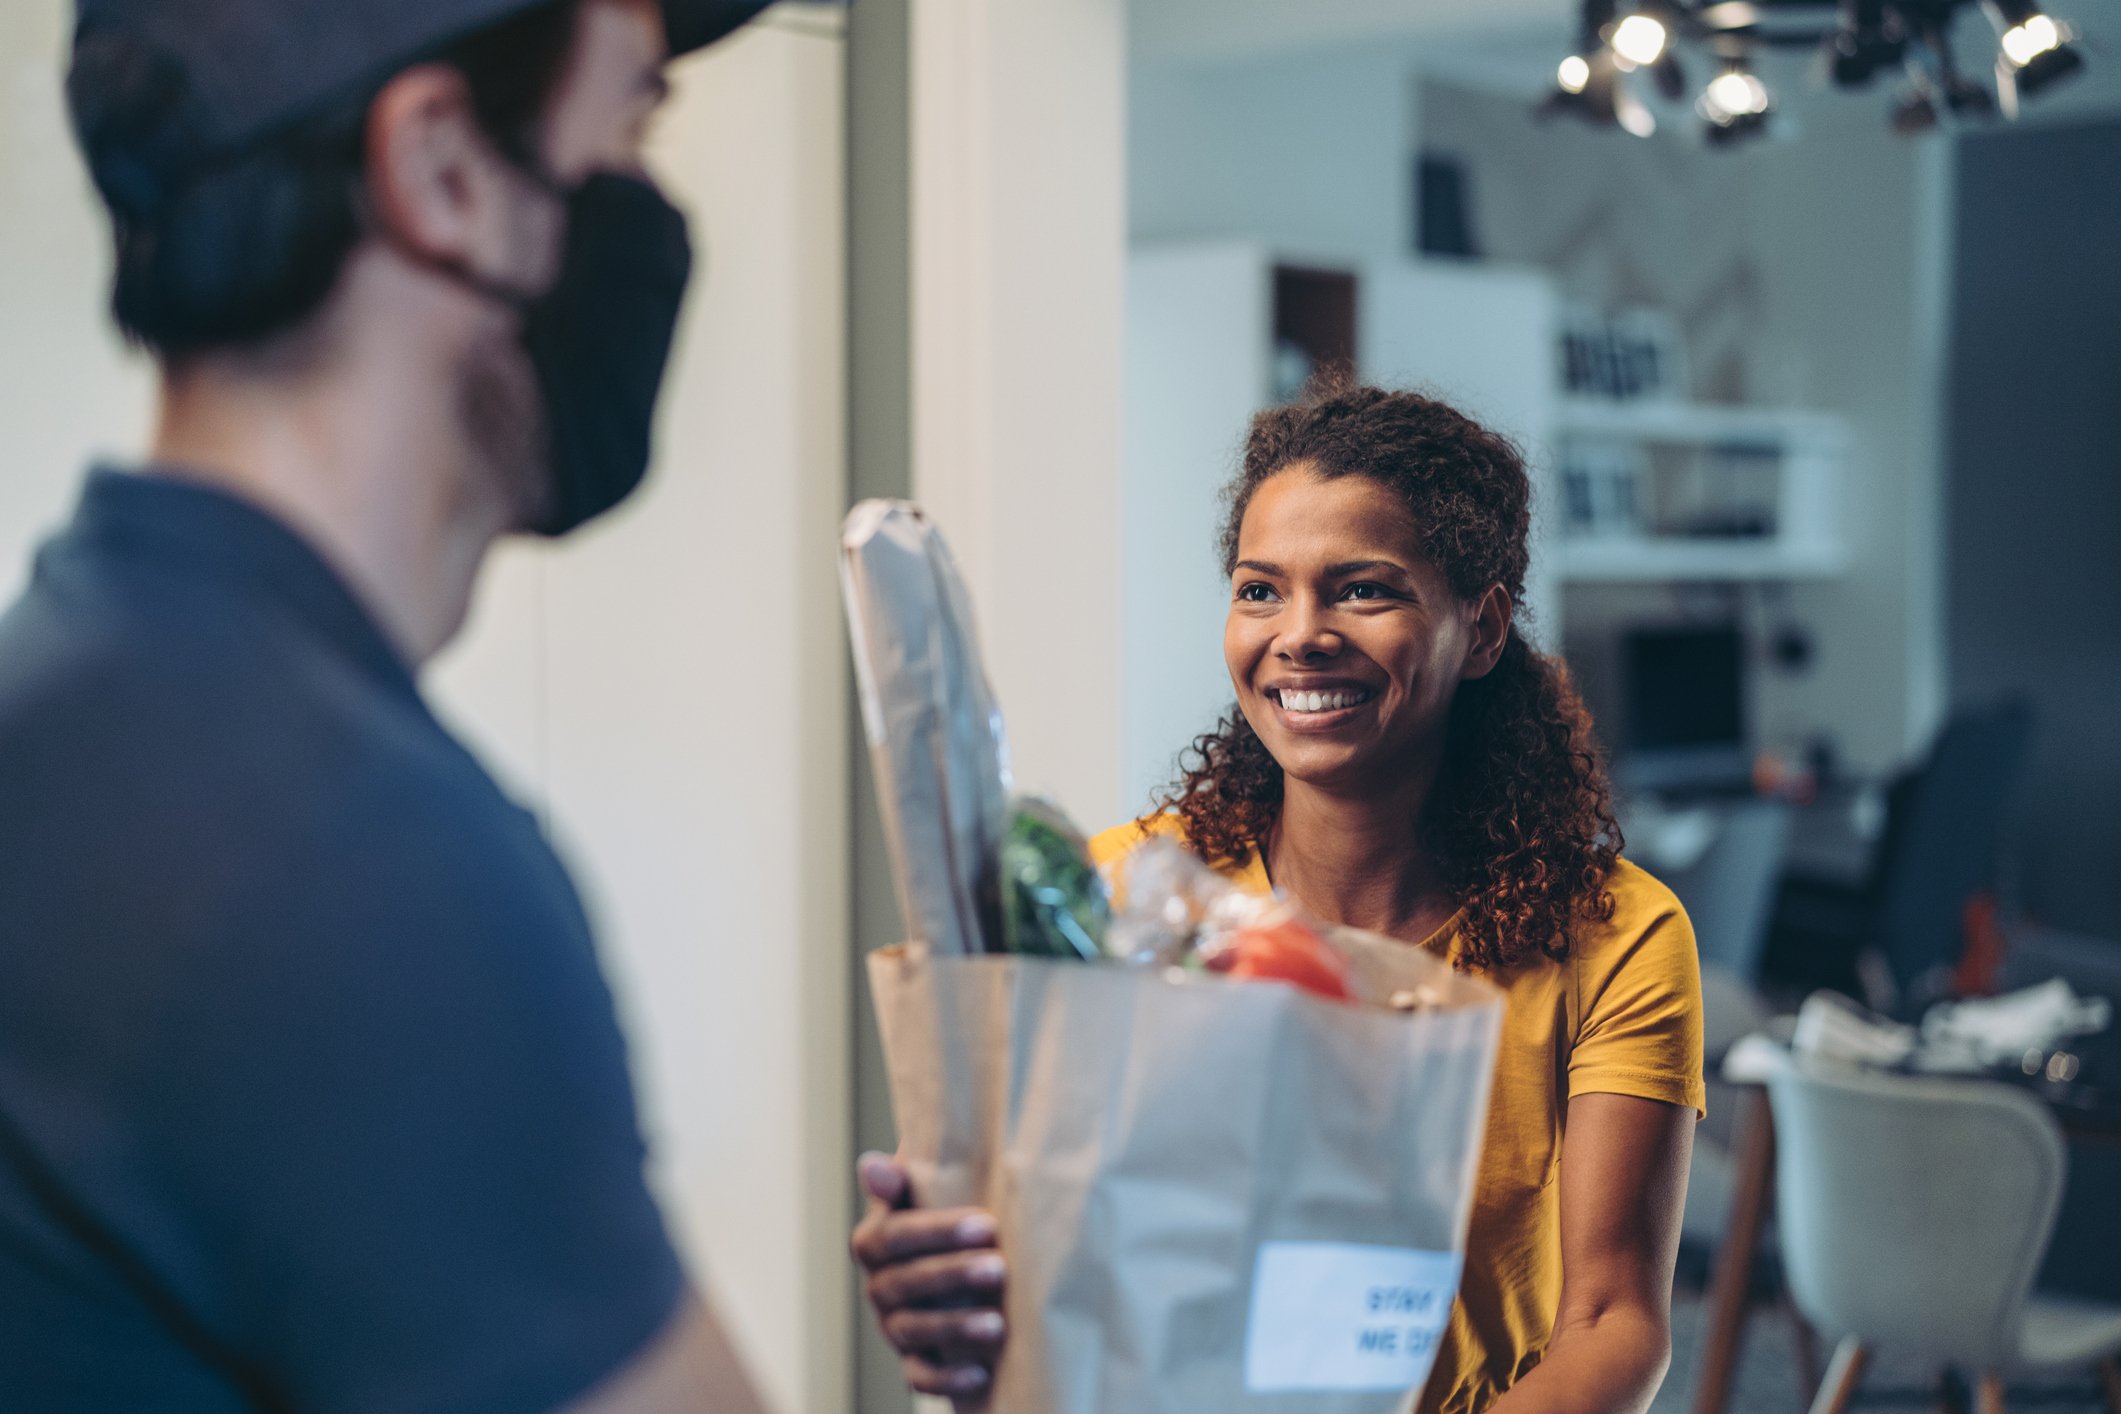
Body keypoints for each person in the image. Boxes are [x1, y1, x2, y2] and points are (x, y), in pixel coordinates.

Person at [0, 1, 780, 1409]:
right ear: (443, 176)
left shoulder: (67, 705)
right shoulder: (352, 863)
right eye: (632, 119)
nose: (650, 203)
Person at [851, 382, 1706, 1414]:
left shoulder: (1614, 934)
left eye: (1362, 589)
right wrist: (942, 1270)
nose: (1300, 633)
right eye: (1261, 589)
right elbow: (1018, 1232)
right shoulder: (1116, 899)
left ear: (1481, 629)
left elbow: (1616, 1324)